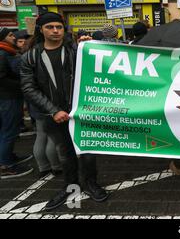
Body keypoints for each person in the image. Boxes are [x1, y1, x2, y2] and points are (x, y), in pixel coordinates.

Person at [20, 12, 108, 210]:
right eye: (50, 27)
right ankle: (70, 186)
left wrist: (90, 45)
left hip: (80, 113)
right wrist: (53, 111)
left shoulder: (75, 51)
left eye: (59, 27)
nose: (55, 31)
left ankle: (91, 184)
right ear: (40, 30)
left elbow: (98, 66)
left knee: (87, 151)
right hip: (52, 116)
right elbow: (28, 88)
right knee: (66, 153)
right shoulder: (31, 57)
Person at [0, 27, 34, 179]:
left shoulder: (8, 51)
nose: (14, 37)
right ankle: (5, 165)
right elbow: (2, 79)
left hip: (10, 97)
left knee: (7, 130)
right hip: (8, 98)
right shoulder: (3, 53)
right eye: (10, 35)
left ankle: (8, 157)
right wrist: (21, 84)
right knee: (9, 130)